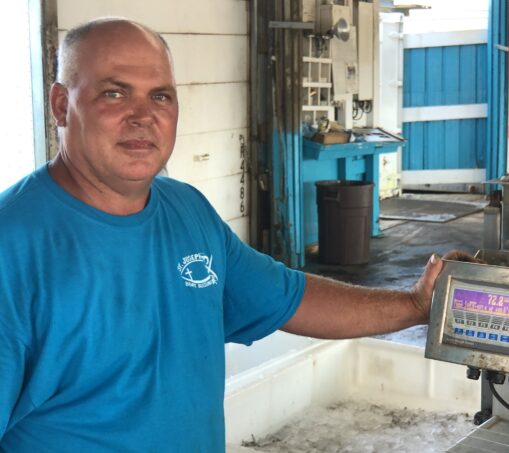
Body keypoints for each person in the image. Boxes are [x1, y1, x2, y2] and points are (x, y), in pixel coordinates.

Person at [0, 18, 466, 452]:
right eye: (115, 94)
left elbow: (291, 298)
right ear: (62, 105)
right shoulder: (13, 245)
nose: (143, 117)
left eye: (160, 96)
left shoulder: (187, 211)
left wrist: (415, 304)